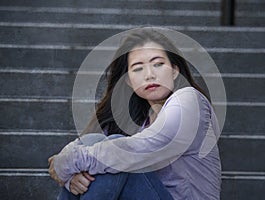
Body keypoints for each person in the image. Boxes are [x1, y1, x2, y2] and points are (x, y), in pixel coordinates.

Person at [48, 28, 222, 200]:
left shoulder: (190, 102)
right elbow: (80, 146)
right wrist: (71, 175)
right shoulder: (140, 123)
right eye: (138, 68)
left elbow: (137, 149)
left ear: (175, 71)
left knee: (116, 152)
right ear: (129, 81)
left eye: (158, 64)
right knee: (94, 142)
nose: (149, 75)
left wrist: (66, 164)